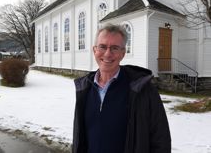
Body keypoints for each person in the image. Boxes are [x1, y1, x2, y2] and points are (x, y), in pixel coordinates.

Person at [72, 24, 171, 153]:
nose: (108, 54)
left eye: (114, 48)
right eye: (102, 47)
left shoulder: (142, 90)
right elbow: (80, 138)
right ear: (94, 50)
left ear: (123, 53)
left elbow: (160, 140)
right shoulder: (85, 88)